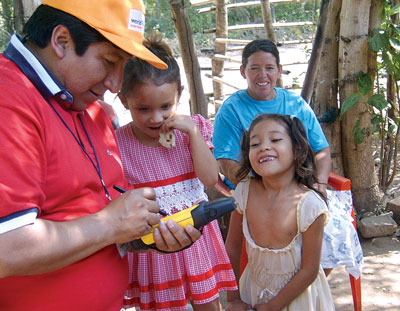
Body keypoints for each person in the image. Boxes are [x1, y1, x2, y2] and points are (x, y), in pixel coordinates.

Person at [0, 1, 201, 310]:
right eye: (109, 61)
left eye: (124, 66)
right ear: (61, 41)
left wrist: (147, 236)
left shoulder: (86, 106)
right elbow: (8, 248)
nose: (115, 84)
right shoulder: (9, 99)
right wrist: (111, 224)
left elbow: (98, 224)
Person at [115, 32, 237, 311]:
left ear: (179, 95)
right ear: (124, 101)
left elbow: (209, 179)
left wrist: (193, 133)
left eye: (165, 106)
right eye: (143, 108)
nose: (156, 118)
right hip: (153, 247)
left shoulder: (192, 129)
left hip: (196, 238)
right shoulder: (119, 143)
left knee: (208, 304)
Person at [225, 113, 335, 311]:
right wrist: (233, 298)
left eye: (275, 139)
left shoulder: (310, 205)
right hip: (253, 291)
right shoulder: (244, 192)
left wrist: (273, 306)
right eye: (255, 144)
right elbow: (232, 247)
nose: (264, 147)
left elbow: (309, 270)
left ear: (297, 149)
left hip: (299, 299)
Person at [212, 39, 331, 193]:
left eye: (269, 68)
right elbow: (226, 162)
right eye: (254, 68)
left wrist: (319, 186)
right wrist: (266, 195)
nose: (263, 75)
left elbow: (321, 150)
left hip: (297, 189)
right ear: (243, 71)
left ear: (279, 70)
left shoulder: (295, 103)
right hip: (252, 192)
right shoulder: (231, 110)